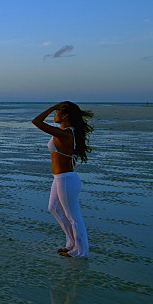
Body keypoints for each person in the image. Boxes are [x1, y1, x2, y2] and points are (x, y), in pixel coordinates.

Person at [31, 101, 95, 257]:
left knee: (73, 216)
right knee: (53, 208)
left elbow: (36, 121)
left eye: (56, 113)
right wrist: (55, 108)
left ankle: (80, 251)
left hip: (66, 180)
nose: (54, 115)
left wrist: (52, 106)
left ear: (65, 115)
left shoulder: (65, 133)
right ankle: (71, 243)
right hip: (59, 179)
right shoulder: (65, 132)